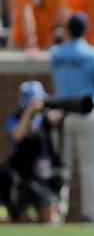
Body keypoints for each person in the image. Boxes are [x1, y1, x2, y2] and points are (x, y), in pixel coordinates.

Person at [50, 12, 94, 222]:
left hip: (61, 114)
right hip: (88, 114)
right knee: (90, 168)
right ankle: (91, 215)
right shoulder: (92, 54)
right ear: (85, 30)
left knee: (61, 168)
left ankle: (57, 213)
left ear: (67, 30)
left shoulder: (56, 53)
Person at [0, 81, 64, 223]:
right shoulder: (14, 118)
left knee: (47, 212)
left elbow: (59, 118)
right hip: (22, 174)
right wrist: (28, 112)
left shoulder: (45, 118)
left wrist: (49, 111)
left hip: (43, 175)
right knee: (19, 215)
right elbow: (16, 136)